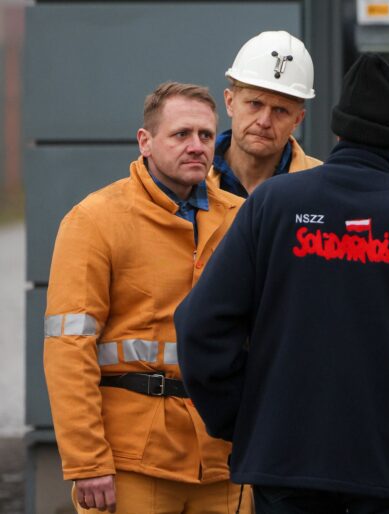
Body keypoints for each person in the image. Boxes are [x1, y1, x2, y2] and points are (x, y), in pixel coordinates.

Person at [174, 54, 389, 514]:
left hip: (285, 462)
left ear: (337, 134)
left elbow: (198, 326)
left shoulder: (272, 204)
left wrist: (246, 417)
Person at [43, 82, 251, 513]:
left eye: (206, 136)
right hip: (129, 461)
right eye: (181, 135)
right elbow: (68, 346)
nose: (196, 146)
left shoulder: (242, 218)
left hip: (223, 460)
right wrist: (86, 460)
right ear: (146, 142)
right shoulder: (95, 220)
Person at [212, 30, 322, 198]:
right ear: (229, 102)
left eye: (280, 110)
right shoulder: (187, 176)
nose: (264, 121)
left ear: (298, 119)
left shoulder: (322, 186)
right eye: (255, 104)